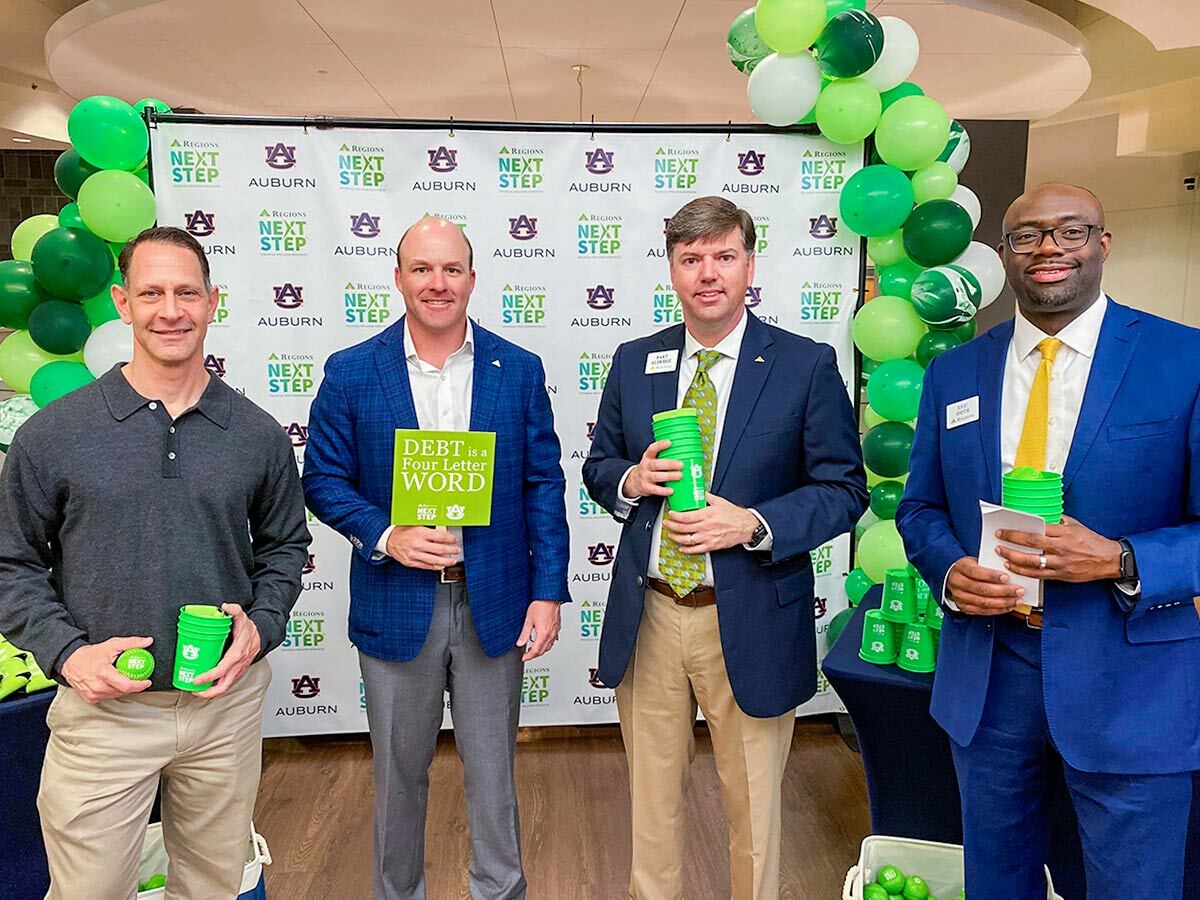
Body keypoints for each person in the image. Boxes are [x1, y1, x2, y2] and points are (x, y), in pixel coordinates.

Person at [897, 183, 1200, 899]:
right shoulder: (956, 372)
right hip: (990, 676)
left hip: (1131, 687)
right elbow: (920, 508)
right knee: (996, 883)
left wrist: (1122, 557)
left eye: (1070, 231)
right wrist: (949, 570)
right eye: (1027, 236)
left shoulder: (1182, 359)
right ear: (1005, 255)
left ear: (1103, 243)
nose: (1048, 249)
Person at [0, 226, 310, 899]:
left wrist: (262, 624)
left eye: (186, 293)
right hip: (102, 712)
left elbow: (286, 547)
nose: (170, 309)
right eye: (152, 293)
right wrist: (67, 654)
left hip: (222, 708)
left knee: (214, 888)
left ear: (212, 302)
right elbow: (10, 560)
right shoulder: (55, 434)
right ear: (122, 302)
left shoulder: (256, 433)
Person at [582, 196, 866, 900]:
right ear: (673, 271)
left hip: (752, 616)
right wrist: (630, 477)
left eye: (723, 256)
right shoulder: (635, 360)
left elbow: (843, 488)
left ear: (749, 265)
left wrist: (753, 525)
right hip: (649, 615)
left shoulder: (803, 365)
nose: (708, 273)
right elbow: (598, 465)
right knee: (652, 805)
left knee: (755, 810)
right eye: (691, 259)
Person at [303, 216, 569, 900]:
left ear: (473, 280)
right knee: (397, 775)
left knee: (493, 773)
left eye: (452, 269)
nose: (437, 283)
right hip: (397, 603)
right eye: (422, 268)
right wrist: (388, 533)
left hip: (496, 602)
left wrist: (548, 590)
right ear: (398, 279)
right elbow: (324, 479)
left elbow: (543, 480)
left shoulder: (519, 369)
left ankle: (499, 891)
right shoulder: (353, 370)